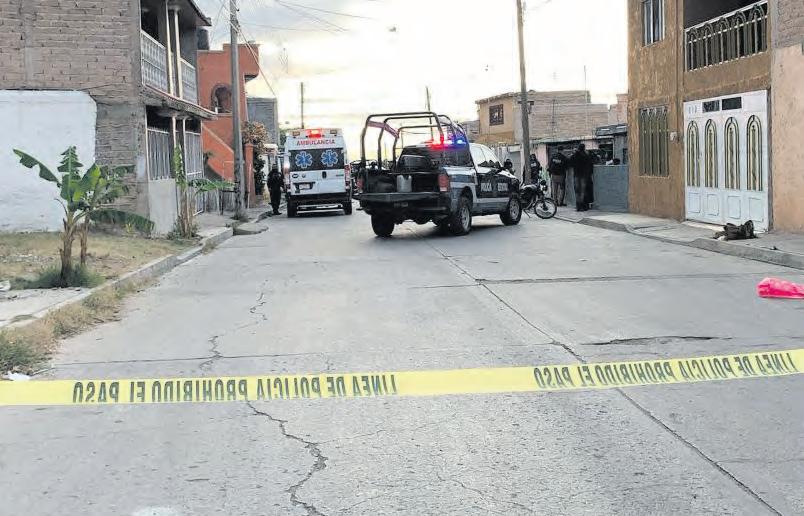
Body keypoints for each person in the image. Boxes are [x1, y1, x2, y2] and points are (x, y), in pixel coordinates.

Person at [570, 144, 594, 211]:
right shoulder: (586, 156)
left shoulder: (574, 155)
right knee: (583, 191)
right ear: (584, 148)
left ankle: (578, 206)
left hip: (576, 175)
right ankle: (583, 206)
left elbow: (570, 163)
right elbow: (590, 165)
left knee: (577, 192)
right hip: (584, 175)